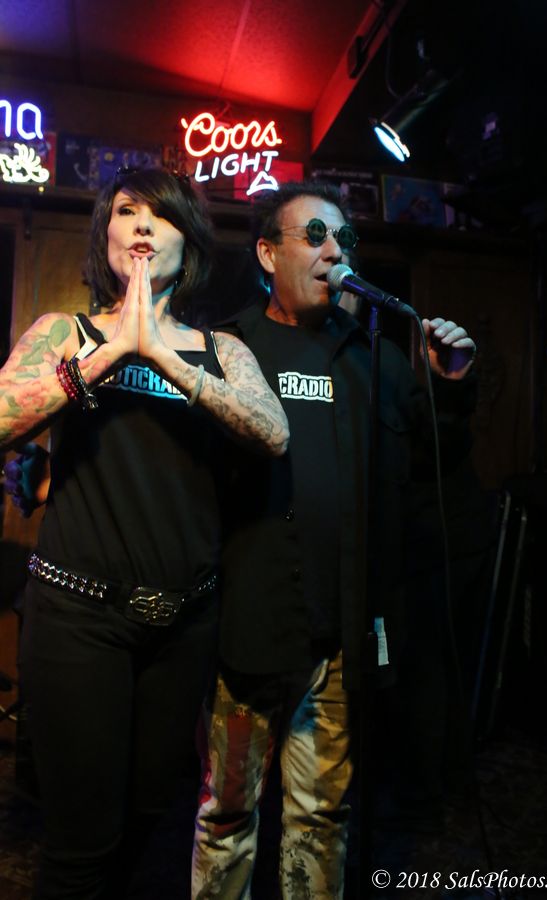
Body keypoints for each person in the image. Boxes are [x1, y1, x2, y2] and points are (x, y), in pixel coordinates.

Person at [0, 167, 289, 900]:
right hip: (77, 621)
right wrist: (110, 353)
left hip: (182, 627)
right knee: (79, 844)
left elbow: (274, 432)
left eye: (160, 215)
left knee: (147, 819)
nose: (140, 225)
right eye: (126, 211)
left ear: (188, 244)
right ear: (105, 234)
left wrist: (160, 352)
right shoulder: (64, 332)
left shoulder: (223, 350)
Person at [190, 180, 477, 899]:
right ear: (267, 254)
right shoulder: (228, 346)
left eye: (344, 238)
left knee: (321, 817)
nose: (333, 250)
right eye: (313, 235)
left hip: (340, 640)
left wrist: (448, 387)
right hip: (246, 636)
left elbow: (428, 465)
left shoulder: (375, 359)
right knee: (227, 814)